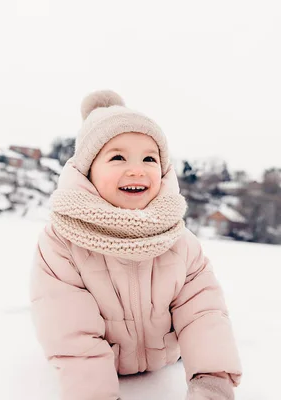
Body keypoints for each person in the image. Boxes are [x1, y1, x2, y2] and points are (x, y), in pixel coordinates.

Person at [30, 90, 242, 399]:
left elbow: (203, 313)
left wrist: (211, 381)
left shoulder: (178, 239)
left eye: (149, 158)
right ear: (88, 170)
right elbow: (69, 330)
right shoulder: (62, 242)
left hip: (164, 360)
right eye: (117, 157)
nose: (137, 169)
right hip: (99, 371)